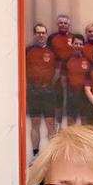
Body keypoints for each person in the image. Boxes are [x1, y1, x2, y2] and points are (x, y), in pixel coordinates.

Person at [25, 23, 59, 159]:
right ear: (34, 35)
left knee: (50, 123)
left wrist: (49, 85)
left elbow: (57, 71)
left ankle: (52, 155)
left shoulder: (52, 52)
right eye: (38, 33)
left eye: (43, 33)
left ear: (46, 35)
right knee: (35, 123)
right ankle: (35, 154)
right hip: (33, 92)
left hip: (48, 92)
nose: (41, 35)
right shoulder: (28, 51)